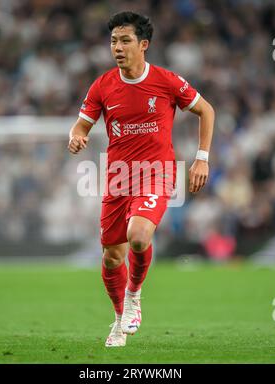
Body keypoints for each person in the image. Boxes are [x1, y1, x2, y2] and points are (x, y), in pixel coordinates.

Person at [68, 11, 215, 347]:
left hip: (157, 174)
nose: (117, 47)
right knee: (111, 257)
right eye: (113, 41)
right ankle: (119, 320)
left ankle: (135, 294)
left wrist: (201, 159)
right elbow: (82, 124)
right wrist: (77, 136)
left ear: (143, 44)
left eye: (125, 40)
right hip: (118, 177)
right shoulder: (103, 85)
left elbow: (206, 109)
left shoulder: (165, 81)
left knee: (138, 236)